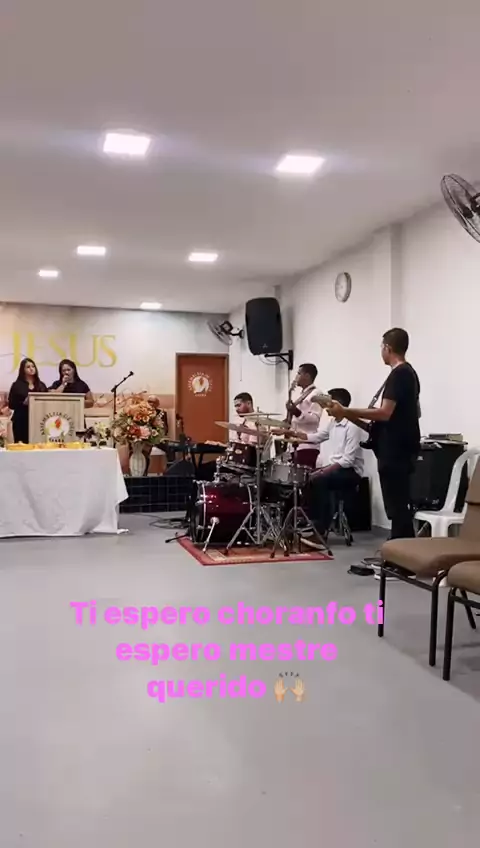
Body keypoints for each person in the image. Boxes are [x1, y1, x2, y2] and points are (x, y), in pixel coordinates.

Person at [326, 328, 420, 539]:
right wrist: (345, 413)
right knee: (397, 505)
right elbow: (388, 420)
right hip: (395, 447)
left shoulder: (400, 374)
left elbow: (385, 413)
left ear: (387, 347)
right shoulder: (407, 374)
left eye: (381, 347)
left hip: (395, 451)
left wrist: (346, 410)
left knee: (397, 505)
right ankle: (399, 546)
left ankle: (400, 547)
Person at [294, 388, 364, 536]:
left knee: (320, 480)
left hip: (351, 472)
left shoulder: (352, 426)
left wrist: (323, 471)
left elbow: (348, 460)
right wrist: (292, 433)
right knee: (306, 476)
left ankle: (320, 530)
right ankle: (312, 522)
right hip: (336, 468)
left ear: (339, 404)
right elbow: (318, 437)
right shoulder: (333, 422)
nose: (326, 408)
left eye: (329, 404)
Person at [283, 363, 322, 469]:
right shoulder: (302, 395)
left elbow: (315, 419)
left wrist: (296, 412)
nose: (296, 377)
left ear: (307, 376)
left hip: (307, 445)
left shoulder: (316, 394)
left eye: (299, 373)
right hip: (296, 445)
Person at [8, 358, 48, 443]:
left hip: (39, 419)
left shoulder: (41, 385)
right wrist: (23, 403)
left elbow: (47, 401)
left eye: (33, 366)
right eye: (28, 367)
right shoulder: (16, 385)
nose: (31, 368)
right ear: (23, 370)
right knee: (22, 445)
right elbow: (11, 404)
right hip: (21, 420)